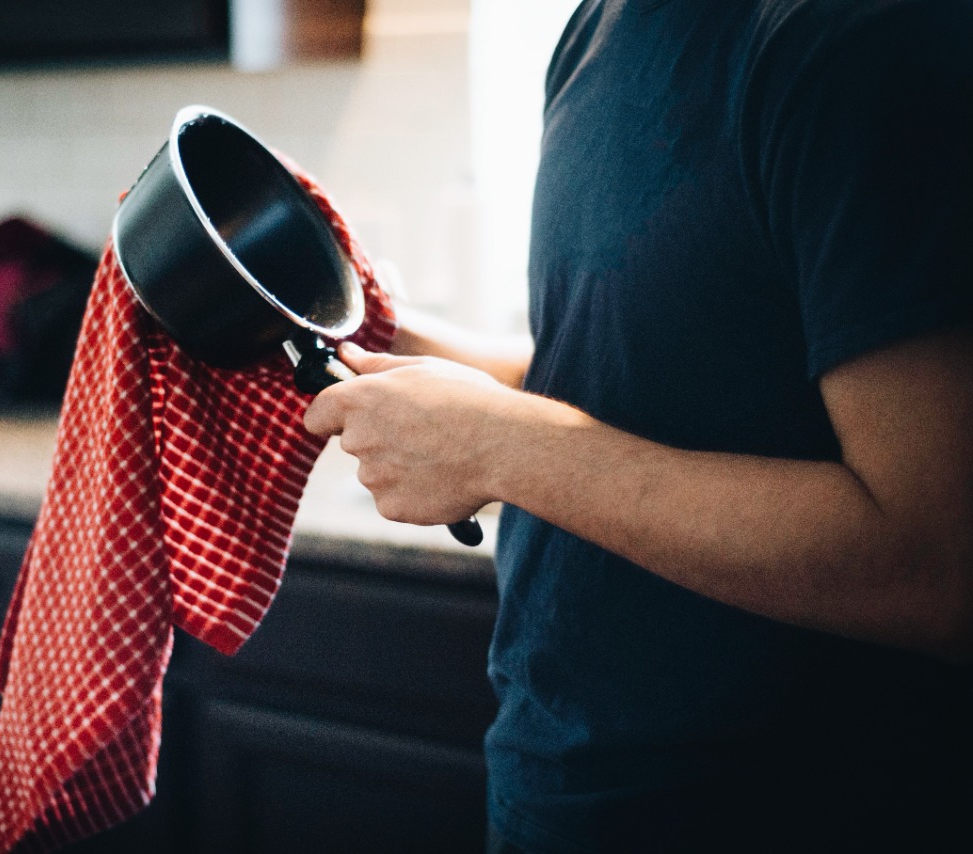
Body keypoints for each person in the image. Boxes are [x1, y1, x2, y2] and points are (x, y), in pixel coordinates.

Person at [302, 1, 973, 851]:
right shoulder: (599, 29)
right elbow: (632, 372)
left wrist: (495, 444)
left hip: (776, 810)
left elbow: (935, 563)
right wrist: (392, 336)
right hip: (562, 791)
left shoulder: (855, 34)